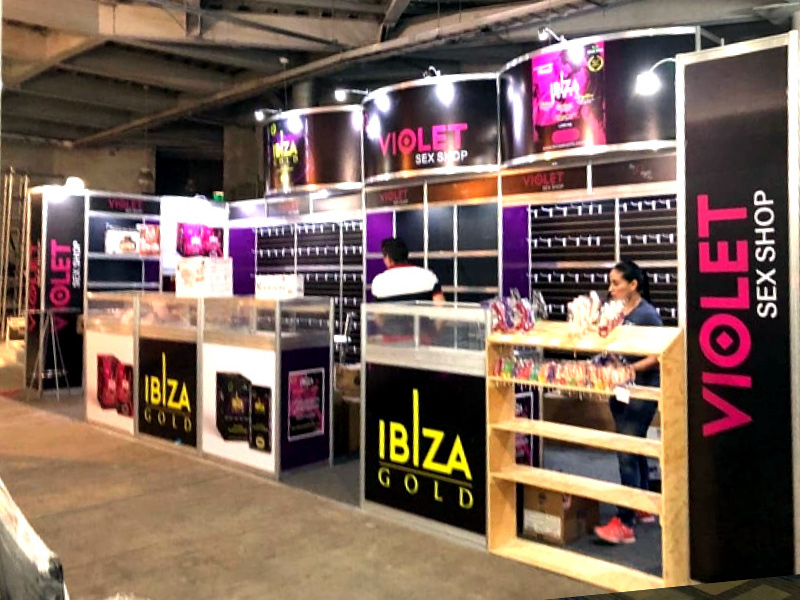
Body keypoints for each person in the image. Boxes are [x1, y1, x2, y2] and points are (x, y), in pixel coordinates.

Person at [594, 259, 662, 545]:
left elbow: (658, 354)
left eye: (616, 283)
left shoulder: (647, 315)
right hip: (620, 389)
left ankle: (625, 523)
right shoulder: (615, 312)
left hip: (642, 390)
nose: (611, 289)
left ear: (633, 285)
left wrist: (631, 369)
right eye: (609, 283)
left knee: (626, 452)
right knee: (635, 448)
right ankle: (643, 505)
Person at [371, 238, 445, 304]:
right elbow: (440, 306)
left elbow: (378, 313)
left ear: (388, 258)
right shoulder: (428, 276)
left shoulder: (378, 282)